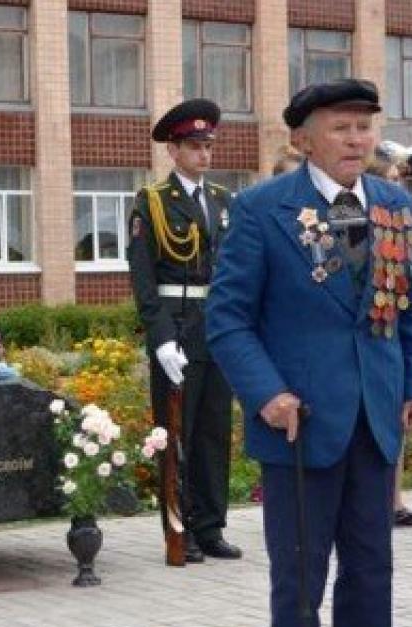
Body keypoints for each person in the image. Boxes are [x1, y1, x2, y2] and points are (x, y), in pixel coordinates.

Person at [207, 78, 412, 627]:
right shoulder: (262, 209)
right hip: (299, 424)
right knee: (300, 576)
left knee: (371, 569)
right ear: (304, 138)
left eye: (365, 126)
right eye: (341, 127)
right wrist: (267, 394)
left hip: (374, 419)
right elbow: (228, 319)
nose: (357, 140)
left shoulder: (393, 204)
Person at [127, 98, 240, 563]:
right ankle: (181, 529)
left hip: (217, 330)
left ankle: (210, 527)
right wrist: (161, 339)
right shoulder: (152, 202)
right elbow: (143, 279)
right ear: (173, 151)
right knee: (178, 436)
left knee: (214, 432)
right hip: (176, 330)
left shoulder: (224, 201)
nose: (204, 154)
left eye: (208, 145)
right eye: (194, 146)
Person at [364, 158, 412, 528]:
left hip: (392, 342)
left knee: (395, 428)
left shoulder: (401, 220)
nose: (397, 185)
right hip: (366, 343)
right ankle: (382, 501)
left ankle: (394, 498)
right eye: (390, 179)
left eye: (399, 179)